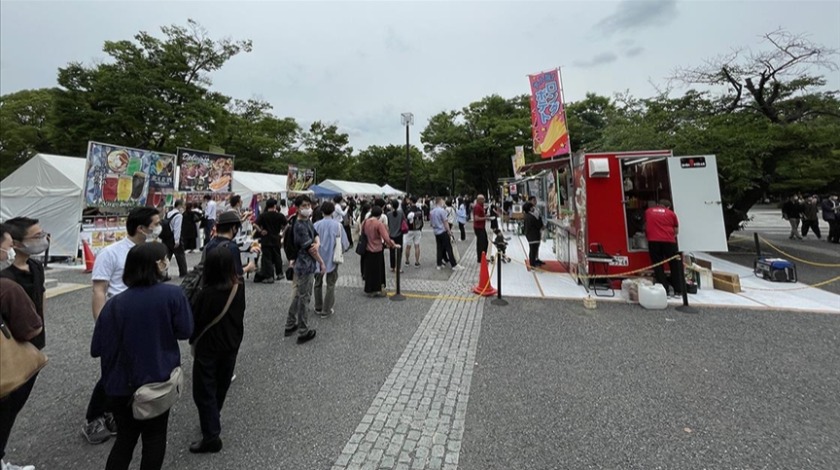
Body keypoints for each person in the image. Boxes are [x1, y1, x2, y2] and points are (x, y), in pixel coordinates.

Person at [91, 242, 193, 470]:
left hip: (118, 385)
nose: (168, 263)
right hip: (156, 382)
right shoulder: (172, 295)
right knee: (154, 438)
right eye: (165, 259)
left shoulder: (113, 304)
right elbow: (185, 330)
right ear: (157, 265)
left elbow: (96, 348)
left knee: (125, 440)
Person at [81, 207, 161, 445]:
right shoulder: (112, 253)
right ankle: (94, 417)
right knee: (113, 371)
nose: (159, 226)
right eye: (156, 223)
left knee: (135, 369)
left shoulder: (149, 251)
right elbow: (99, 290)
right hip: (118, 321)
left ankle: (115, 412)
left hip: (144, 321)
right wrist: (102, 324)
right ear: (141, 228)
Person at [188, 245, 246, 454]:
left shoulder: (206, 293)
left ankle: (211, 436)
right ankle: (213, 417)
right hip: (231, 343)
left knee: (203, 390)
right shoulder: (238, 286)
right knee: (221, 384)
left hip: (208, 347)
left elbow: (196, 321)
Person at [0, 224, 43, 470]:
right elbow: (32, 328)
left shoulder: (35, 269)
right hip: (7, 366)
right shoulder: (7, 287)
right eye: (6, 248)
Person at [284, 196, 324, 344]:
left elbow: (315, 235)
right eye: (305, 205)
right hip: (304, 265)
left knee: (298, 296)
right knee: (304, 298)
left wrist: (318, 243)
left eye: (309, 205)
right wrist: (322, 262)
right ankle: (303, 331)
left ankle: (290, 323)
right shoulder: (299, 225)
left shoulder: (307, 221)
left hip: (304, 264)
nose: (308, 208)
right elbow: (309, 248)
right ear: (298, 207)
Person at [313, 201, 350, 316]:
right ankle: (327, 309)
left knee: (317, 283)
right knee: (330, 284)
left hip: (317, 258)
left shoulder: (315, 225)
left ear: (322, 211)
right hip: (333, 258)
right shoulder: (338, 226)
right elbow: (345, 244)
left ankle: (318, 306)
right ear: (333, 211)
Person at [645, 199, 683, 297]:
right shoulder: (671, 214)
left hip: (653, 241)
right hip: (669, 242)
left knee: (658, 265)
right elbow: (676, 231)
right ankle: (678, 290)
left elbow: (646, 225)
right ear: (668, 207)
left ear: (658, 205)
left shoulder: (648, 211)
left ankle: (664, 289)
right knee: (675, 265)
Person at [361, 205, 400, 296]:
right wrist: (392, 244)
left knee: (369, 271)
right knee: (377, 271)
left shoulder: (365, 222)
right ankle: (377, 289)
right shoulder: (378, 224)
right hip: (377, 249)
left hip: (367, 249)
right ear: (380, 214)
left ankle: (369, 289)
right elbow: (386, 237)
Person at [254, 198, 287, 284]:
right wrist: (282, 233)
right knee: (277, 256)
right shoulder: (279, 215)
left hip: (266, 239)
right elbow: (287, 225)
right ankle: (279, 273)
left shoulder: (263, 215)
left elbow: (255, 224)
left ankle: (269, 276)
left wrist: (260, 231)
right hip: (276, 238)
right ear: (274, 206)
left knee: (267, 258)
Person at [431, 198, 463, 271]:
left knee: (439, 248)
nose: (444, 203)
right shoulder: (442, 211)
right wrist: (449, 231)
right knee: (449, 248)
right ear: (440, 202)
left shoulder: (432, 211)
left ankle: (439, 264)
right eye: (442, 202)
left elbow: (431, 223)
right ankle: (454, 264)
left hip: (436, 232)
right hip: (443, 231)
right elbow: (445, 222)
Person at [165, 200, 188, 277]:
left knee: (167, 257)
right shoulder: (178, 215)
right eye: (183, 205)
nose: (184, 207)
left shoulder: (168, 214)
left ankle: (163, 274)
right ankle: (183, 272)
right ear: (179, 206)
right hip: (174, 238)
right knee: (180, 256)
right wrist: (177, 240)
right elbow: (177, 228)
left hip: (166, 238)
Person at [386, 200, 407, 273]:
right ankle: (398, 267)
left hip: (391, 234)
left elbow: (387, 224)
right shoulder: (401, 213)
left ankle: (392, 266)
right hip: (399, 234)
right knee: (399, 252)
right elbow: (405, 221)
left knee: (391, 251)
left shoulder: (388, 214)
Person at [522, 202, 544, 268]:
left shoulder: (527, 216)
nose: (533, 208)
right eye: (532, 207)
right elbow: (539, 225)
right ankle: (532, 264)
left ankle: (533, 262)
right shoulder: (531, 217)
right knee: (533, 249)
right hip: (533, 235)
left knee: (533, 249)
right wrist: (539, 217)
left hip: (531, 235)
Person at [404, 198, 424, 268]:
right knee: (417, 246)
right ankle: (417, 262)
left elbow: (406, 219)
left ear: (411, 201)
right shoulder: (419, 210)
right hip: (417, 229)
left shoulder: (408, 210)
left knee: (408, 247)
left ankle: (407, 261)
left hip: (410, 230)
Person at [472, 195, 489, 262]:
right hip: (478, 227)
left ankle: (483, 257)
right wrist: (485, 218)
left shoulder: (481, 206)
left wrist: (485, 216)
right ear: (478, 200)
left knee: (485, 242)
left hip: (481, 227)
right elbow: (476, 218)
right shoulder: (477, 207)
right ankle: (480, 258)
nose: (484, 200)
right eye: (482, 199)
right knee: (481, 243)